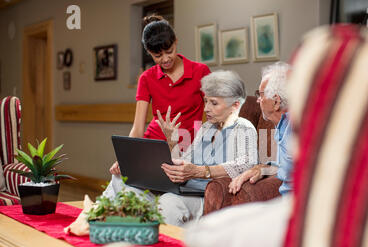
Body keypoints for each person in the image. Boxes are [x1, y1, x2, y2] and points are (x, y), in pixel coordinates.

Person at [103, 70, 258, 227]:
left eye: (214, 103)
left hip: (203, 196)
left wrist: (200, 171)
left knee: (168, 202)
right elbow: (185, 161)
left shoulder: (243, 128)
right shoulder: (206, 128)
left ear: (235, 105)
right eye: (205, 102)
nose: (206, 109)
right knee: (122, 179)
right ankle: (103, 225)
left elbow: (246, 164)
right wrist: (171, 142)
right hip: (182, 189)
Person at [110, 14, 211, 176]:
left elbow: (216, 111)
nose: (165, 59)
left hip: (188, 148)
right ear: (149, 52)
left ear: (176, 41)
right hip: (155, 147)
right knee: (121, 180)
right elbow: (138, 127)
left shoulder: (200, 71)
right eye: (157, 56)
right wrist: (124, 158)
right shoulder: (146, 78)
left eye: (169, 51)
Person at [228, 62, 293, 196]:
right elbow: (284, 165)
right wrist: (261, 170)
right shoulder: (281, 126)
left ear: (276, 102)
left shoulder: (295, 129)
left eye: (261, 94)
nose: (258, 100)